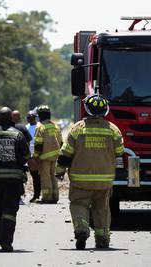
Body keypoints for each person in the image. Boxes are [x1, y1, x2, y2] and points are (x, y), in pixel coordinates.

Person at [55, 94, 124, 250]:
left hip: (80, 180)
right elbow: (120, 152)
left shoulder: (77, 129)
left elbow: (65, 154)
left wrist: (59, 172)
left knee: (79, 204)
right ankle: (102, 239)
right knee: (102, 208)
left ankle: (81, 229)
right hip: (104, 181)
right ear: (106, 110)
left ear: (86, 109)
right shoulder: (113, 130)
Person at [0, 107, 30, 252]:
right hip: (13, 179)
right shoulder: (18, 135)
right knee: (9, 210)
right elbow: (27, 156)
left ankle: (1, 238)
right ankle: (6, 240)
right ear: (11, 118)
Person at [32, 105, 62, 203]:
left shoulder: (40, 127)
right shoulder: (55, 126)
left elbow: (38, 144)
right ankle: (55, 196)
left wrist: (35, 156)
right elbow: (61, 142)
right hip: (55, 156)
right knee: (53, 176)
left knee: (45, 177)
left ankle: (47, 197)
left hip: (44, 157)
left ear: (40, 115)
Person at [26, 110, 41, 202]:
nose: (30, 119)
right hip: (31, 156)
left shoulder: (39, 126)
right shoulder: (26, 127)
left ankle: (43, 194)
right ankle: (37, 194)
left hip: (40, 155)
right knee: (35, 177)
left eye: (32, 117)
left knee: (43, 176)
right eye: (29, 118)